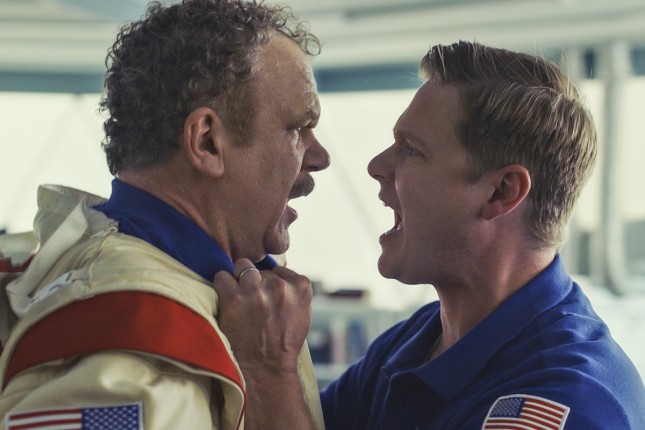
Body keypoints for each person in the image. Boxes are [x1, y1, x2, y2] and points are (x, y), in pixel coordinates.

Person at [214, 41, 645, 429]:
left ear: (501, 192)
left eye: (411, 150)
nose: (377, 166)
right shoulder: (417, 340)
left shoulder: (563, 400)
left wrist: (270, 368)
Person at [0, 0, 330, 429]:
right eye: (297, 129)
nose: (320, 158)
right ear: (207, 142)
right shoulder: (127, 355)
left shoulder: (130, 282)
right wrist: (269, 376)